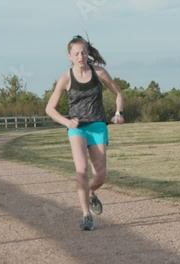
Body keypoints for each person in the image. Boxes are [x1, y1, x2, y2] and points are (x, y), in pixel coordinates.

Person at [45, 35, 124, 231]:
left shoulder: (99, 73)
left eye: (84, 52)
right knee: (81, 170)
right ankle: (86, 215)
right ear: (69, 56)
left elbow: (119, 94)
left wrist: (118, 113)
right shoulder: (65, 78)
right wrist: (67, 122)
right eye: (77, 53)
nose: (81, 56)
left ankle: (89, 192)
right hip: (77, 128)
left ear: (88, 53)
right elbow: (50, 108)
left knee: (100, 177)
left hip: (97, 126)